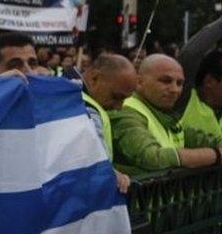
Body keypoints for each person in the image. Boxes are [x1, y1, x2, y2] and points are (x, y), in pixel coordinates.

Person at [111, 55, 222, 176]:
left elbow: (201, 139)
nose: (175, 89)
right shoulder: (125, 111)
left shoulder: (163, 114)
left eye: (179, 83)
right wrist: (216, 155)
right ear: (139, 82)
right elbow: (151, 158)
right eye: (165, 81)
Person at [81, 54, 136, 194]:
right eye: (117, 97)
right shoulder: (85, 108)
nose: (119, 107)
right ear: (94, 78)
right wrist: (107, 172)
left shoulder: (71, 96)